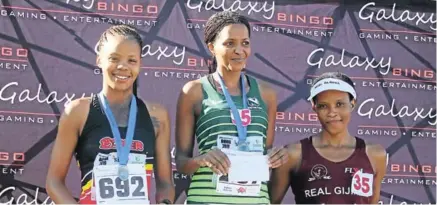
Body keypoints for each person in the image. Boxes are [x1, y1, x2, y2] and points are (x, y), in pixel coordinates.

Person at [46, 25, 175, 204]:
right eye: (114, 58)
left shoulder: (157, 115)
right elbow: (54, 182)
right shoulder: (77, 112)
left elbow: (165, 184)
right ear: (99, 60)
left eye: (132, 60)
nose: (123, 67)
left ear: (140, 64)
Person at [175, 11, 289, 204]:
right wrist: (202, 159)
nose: (239, 50)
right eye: (230, 43)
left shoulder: (266, 94)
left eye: (245, 43)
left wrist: (275, 157)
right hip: (206, 199)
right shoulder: (194, 91)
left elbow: (264, 153)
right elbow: (181, 162)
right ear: (212, 47)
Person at [269, 71, 387, 204]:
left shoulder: (375, 154)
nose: (332, 113)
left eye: (339, 104)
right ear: (314, 107)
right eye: (323, 106)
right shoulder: (294, 154)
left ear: (352, 103)